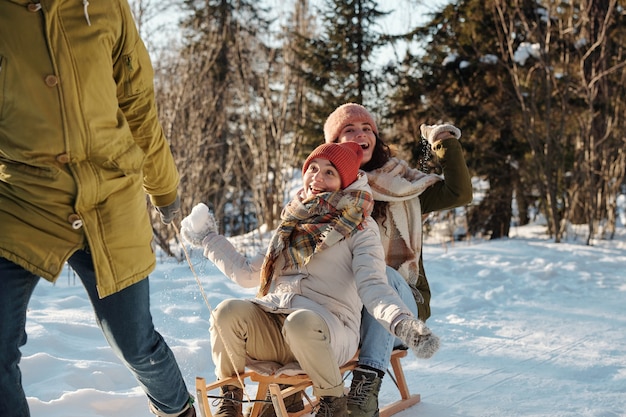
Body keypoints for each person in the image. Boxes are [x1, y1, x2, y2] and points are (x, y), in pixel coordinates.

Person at [0, 2, 194, 417]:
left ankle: (178, 411)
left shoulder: (105, 6)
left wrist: (163, 185)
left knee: (135, 343)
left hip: (110, 195)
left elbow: (137, 102)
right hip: (21, 199)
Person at [180, 142, 440, 417]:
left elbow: (374, 286)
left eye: (329, 172)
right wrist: (208, 238)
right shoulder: (292, 221)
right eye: (313, 168)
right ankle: (230, 401)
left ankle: (332, 403)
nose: (317, 177)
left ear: (346, 181)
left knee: (300, 322)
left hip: (329, 330)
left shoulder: (360, 227)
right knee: (226, 313)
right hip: (278, 321)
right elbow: (247, 274)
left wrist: (404, 324)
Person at [323, 103, 473, 417]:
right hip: (346, 309)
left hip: (403, 301)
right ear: (334, 144)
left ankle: (366, 386)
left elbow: (459, 193)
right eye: (349, 130)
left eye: (367, 129)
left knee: (384, 276)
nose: (360, 134)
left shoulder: (403, 186)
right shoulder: (326, 192)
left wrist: (443, 141)